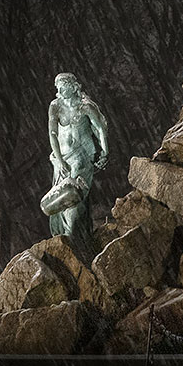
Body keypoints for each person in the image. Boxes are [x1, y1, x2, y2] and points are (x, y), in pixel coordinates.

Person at [41, 73, 109, 248]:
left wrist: (105, 151)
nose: (61, 90)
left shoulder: (86, 106)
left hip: (82, 158)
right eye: (58, 87)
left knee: (73, 200)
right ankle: (79, 239)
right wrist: (59, 159)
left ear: (73, 86)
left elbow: (100, 128)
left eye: (64, 86)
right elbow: (52, 133)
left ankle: (73, 241)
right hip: (62, 159)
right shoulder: (55, 106)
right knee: (61, 204)